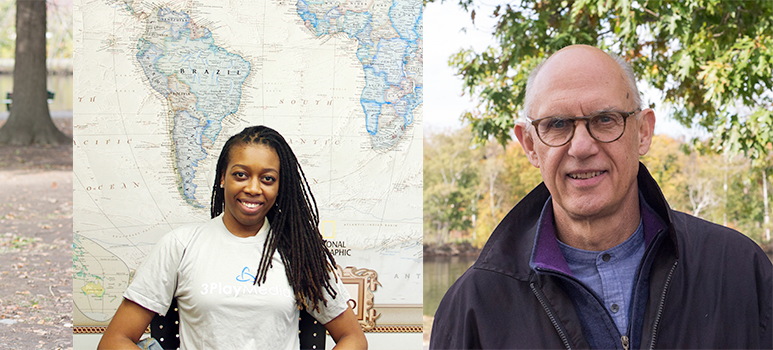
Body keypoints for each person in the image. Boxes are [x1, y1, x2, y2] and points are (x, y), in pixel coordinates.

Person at [430, 45, 773, 349]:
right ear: (530, 145)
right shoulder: (475, 305)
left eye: (605, 120)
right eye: (557, 124)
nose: (581, 147)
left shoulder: (740, 272)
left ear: (643, 132)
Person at [99, 126, 368, 350]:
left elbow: (353, 338)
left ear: (279, 187)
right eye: (241, 175)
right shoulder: (180, 245)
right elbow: (115, 341)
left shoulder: (298, 252)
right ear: (222, 179)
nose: (253, 188)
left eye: (267, 178)